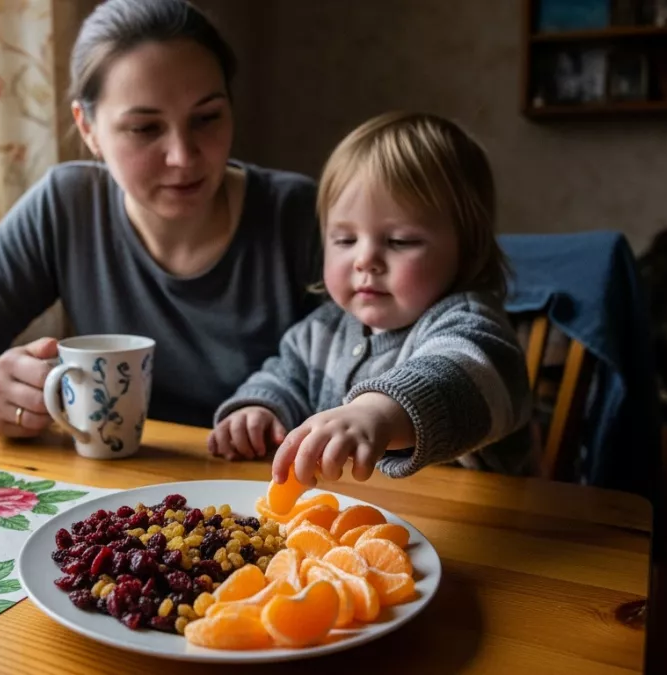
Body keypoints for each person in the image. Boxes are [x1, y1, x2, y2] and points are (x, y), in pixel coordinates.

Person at [0, 0, 320, 436]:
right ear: (88, 128)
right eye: (145, 128)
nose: (183, 157)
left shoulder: (298, 214)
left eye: (206, 118)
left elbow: (367, 363)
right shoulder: (68, 205)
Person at [208, 112, 532, 486]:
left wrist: (377, 413)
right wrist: (259, 410)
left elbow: (461, 373)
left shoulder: (471, 323)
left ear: (468, 248)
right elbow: (284, 378)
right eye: (345, 240)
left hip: (479, 518)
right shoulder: (321, 331)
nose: (365, 260)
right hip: (360, 517)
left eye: (399, 241)